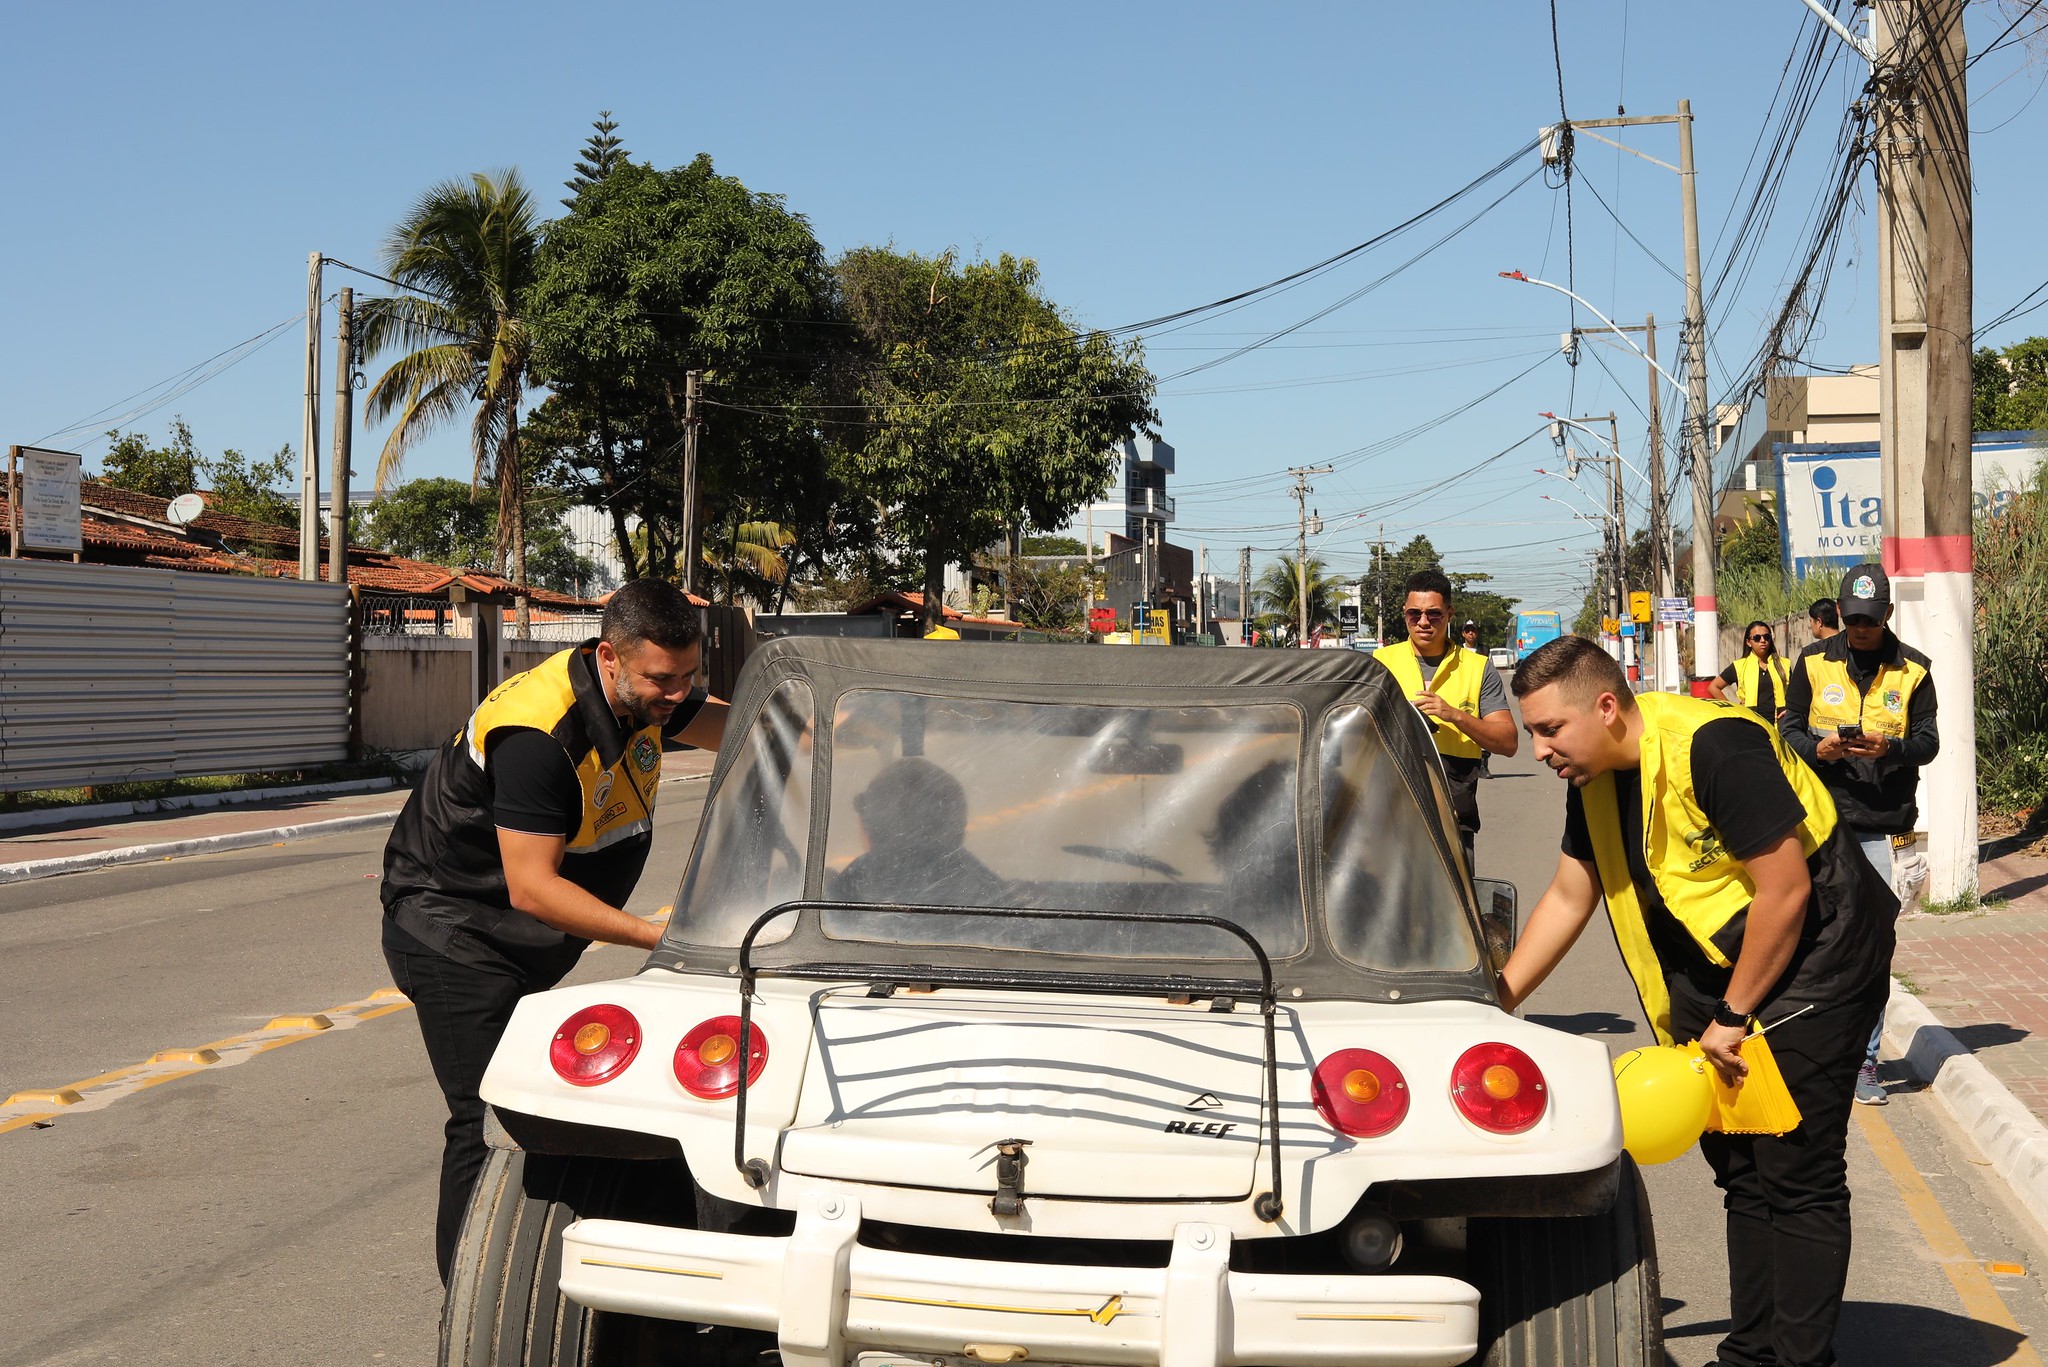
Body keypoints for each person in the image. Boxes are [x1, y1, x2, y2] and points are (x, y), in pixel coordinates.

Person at [1497, 636, 1895, 1367]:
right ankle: (1751, 1353)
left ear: (1607, 706)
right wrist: (1494, 999)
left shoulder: (1713, 747)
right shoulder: (1593, 781)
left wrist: (1734, 1016)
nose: (1539, 750)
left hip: (1817, 959)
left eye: (1550, 729)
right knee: (1742, 1171)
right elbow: (1568, 893)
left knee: (1796, 1172)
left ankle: (1801, 1358)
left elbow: (1787, 891)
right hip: (1720, 972)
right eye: (1532, 733)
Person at [379, 578, 728, 1283]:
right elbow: (533, 887)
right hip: (455, 933)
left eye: (688, 677)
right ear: (609, 657)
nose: (678, 694)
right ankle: (473, 1313)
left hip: (523, 941)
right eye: (664, 680)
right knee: (486, 1122)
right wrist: (659, 936)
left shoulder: (648, 690)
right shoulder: (542, 733)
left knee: (560, 1109)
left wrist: (828, 733)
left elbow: (746, 728)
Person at [1781, 563, 1937, 1106]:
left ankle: (1865, 1061)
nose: (1862, 629)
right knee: (1814, 939)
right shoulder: (1813, 662)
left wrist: (1890, 749)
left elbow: (1928, 742)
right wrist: (1815, 749)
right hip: (1819, 821)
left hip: (1885, 828)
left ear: (1888, 615)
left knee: (1872, 949)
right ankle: (1816, 1050)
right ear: (1841, 614)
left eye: (1871, 619)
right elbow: (1789, 729)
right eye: (1853, 619)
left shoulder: (1914, 669)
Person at [1374, 569, 1518, 866]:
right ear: (1404, 613)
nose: (1423, 622)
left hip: (1454, 818)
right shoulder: (1380, 663)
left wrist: (1454, 715)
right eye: (1415, 614)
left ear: (1449, 614)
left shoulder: (1478, 668)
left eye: (1434, 614)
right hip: (1387, 818)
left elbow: (1508, 742)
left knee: (1458, 910)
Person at [1713, 620, 1791, 719]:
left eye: (1766, 637)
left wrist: (1791, 710)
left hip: (1780, 723)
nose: (1763, 640)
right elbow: (1714, 687)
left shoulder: (1784, 664)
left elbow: (1796, 692)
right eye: (1757, 638)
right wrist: (1733, 709)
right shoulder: (1740, 666)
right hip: (1752, 722)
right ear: (1748, 642)